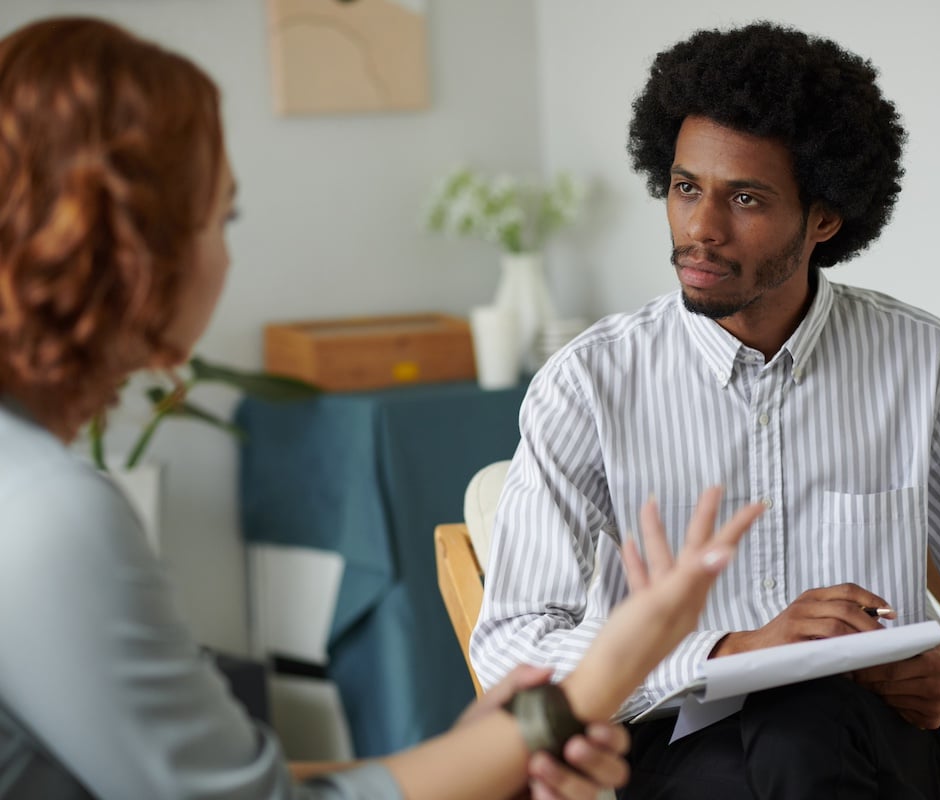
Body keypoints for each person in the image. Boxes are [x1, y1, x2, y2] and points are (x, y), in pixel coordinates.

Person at [0, 16, 766, 800]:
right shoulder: (47, 516)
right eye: (221, 218)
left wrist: (492, 747)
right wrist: (612, 667)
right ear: (133, 251)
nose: (229, 256)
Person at [471, 20, 940, 800]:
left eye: (747, 199)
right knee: (767, 759)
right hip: (668, 741)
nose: (700, 227)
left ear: (824, 220)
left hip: (874, 740)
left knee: (805, 727)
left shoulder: (925, 363)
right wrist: (731, 651)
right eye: (687, 187)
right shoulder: (590, 382)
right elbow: (514, 646)